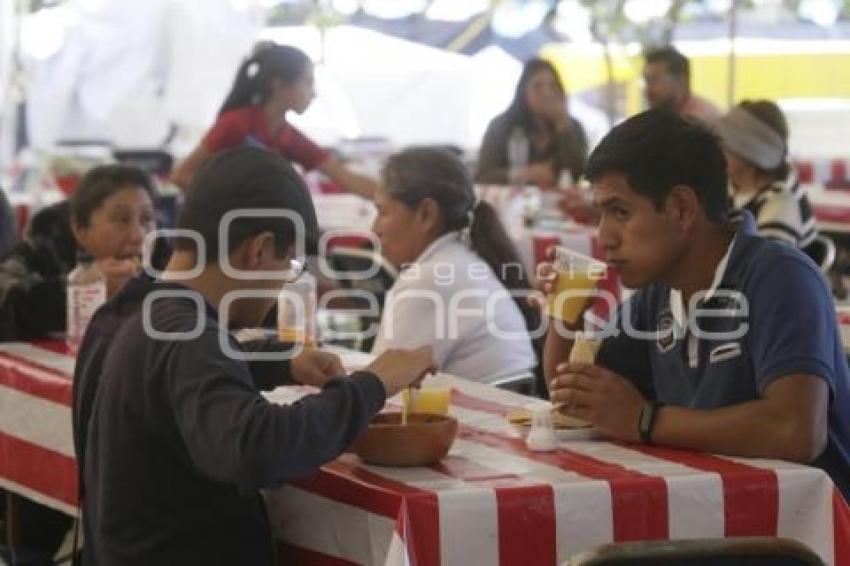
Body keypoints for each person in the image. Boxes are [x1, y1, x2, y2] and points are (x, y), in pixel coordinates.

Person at [75, 147, 435, 565]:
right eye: (291, 263)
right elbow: (258, 447)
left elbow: (179, 381)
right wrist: (373, 384)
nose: (285, 280)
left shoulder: (140, 312)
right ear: (259, 249)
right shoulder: (188, 333)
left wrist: (280, 361)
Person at [542, 110, 850, 501]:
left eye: (620, 211)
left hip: (804, 537)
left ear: (682, 208)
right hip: (710, 511)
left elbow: (796, 430)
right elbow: (576, 399)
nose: (604, 237)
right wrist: (564, 313)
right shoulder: (658, 293)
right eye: (599, 214)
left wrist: (645, 419)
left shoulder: (779, 277)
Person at [372, 147, 538, 385]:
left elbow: (379, 387)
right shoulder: (459, 261)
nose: (374, 228)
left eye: (382, 212)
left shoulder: (431, 279)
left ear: (427, 214)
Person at [172, 43, 378, 199]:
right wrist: (234, 204)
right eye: (307, 82)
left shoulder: (288, 136)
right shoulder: (236, 124)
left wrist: (397, 198)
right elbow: (181, 175)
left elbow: (345, 178)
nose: (313, 93)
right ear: (278, 84)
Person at [0, 164, 158, 340]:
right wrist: (81, 292)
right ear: (80, 229)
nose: (138, 235)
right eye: (122, 220)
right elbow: (6, 302)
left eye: (147, 218)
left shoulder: (164, 256)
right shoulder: (44, 246)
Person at [716, 100, 818, 251]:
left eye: (727, 145)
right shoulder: (730, 187)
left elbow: (766, 268)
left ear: (752, 155)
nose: (718, 149)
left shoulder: (781, 201)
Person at [475, 58, 587, 188]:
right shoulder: (502, 126)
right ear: (523, 92)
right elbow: (482, 175)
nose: (546, 93)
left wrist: (562, 125)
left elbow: (578, 172)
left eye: (552, 86)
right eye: (537, 86)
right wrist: (522, 174)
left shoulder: (572, 127)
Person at [643, 46, 720, 124]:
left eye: (655, 79)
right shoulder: (659, 118)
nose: (648, 89)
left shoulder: (704, 123)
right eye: (646, 80)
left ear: (680, 81)